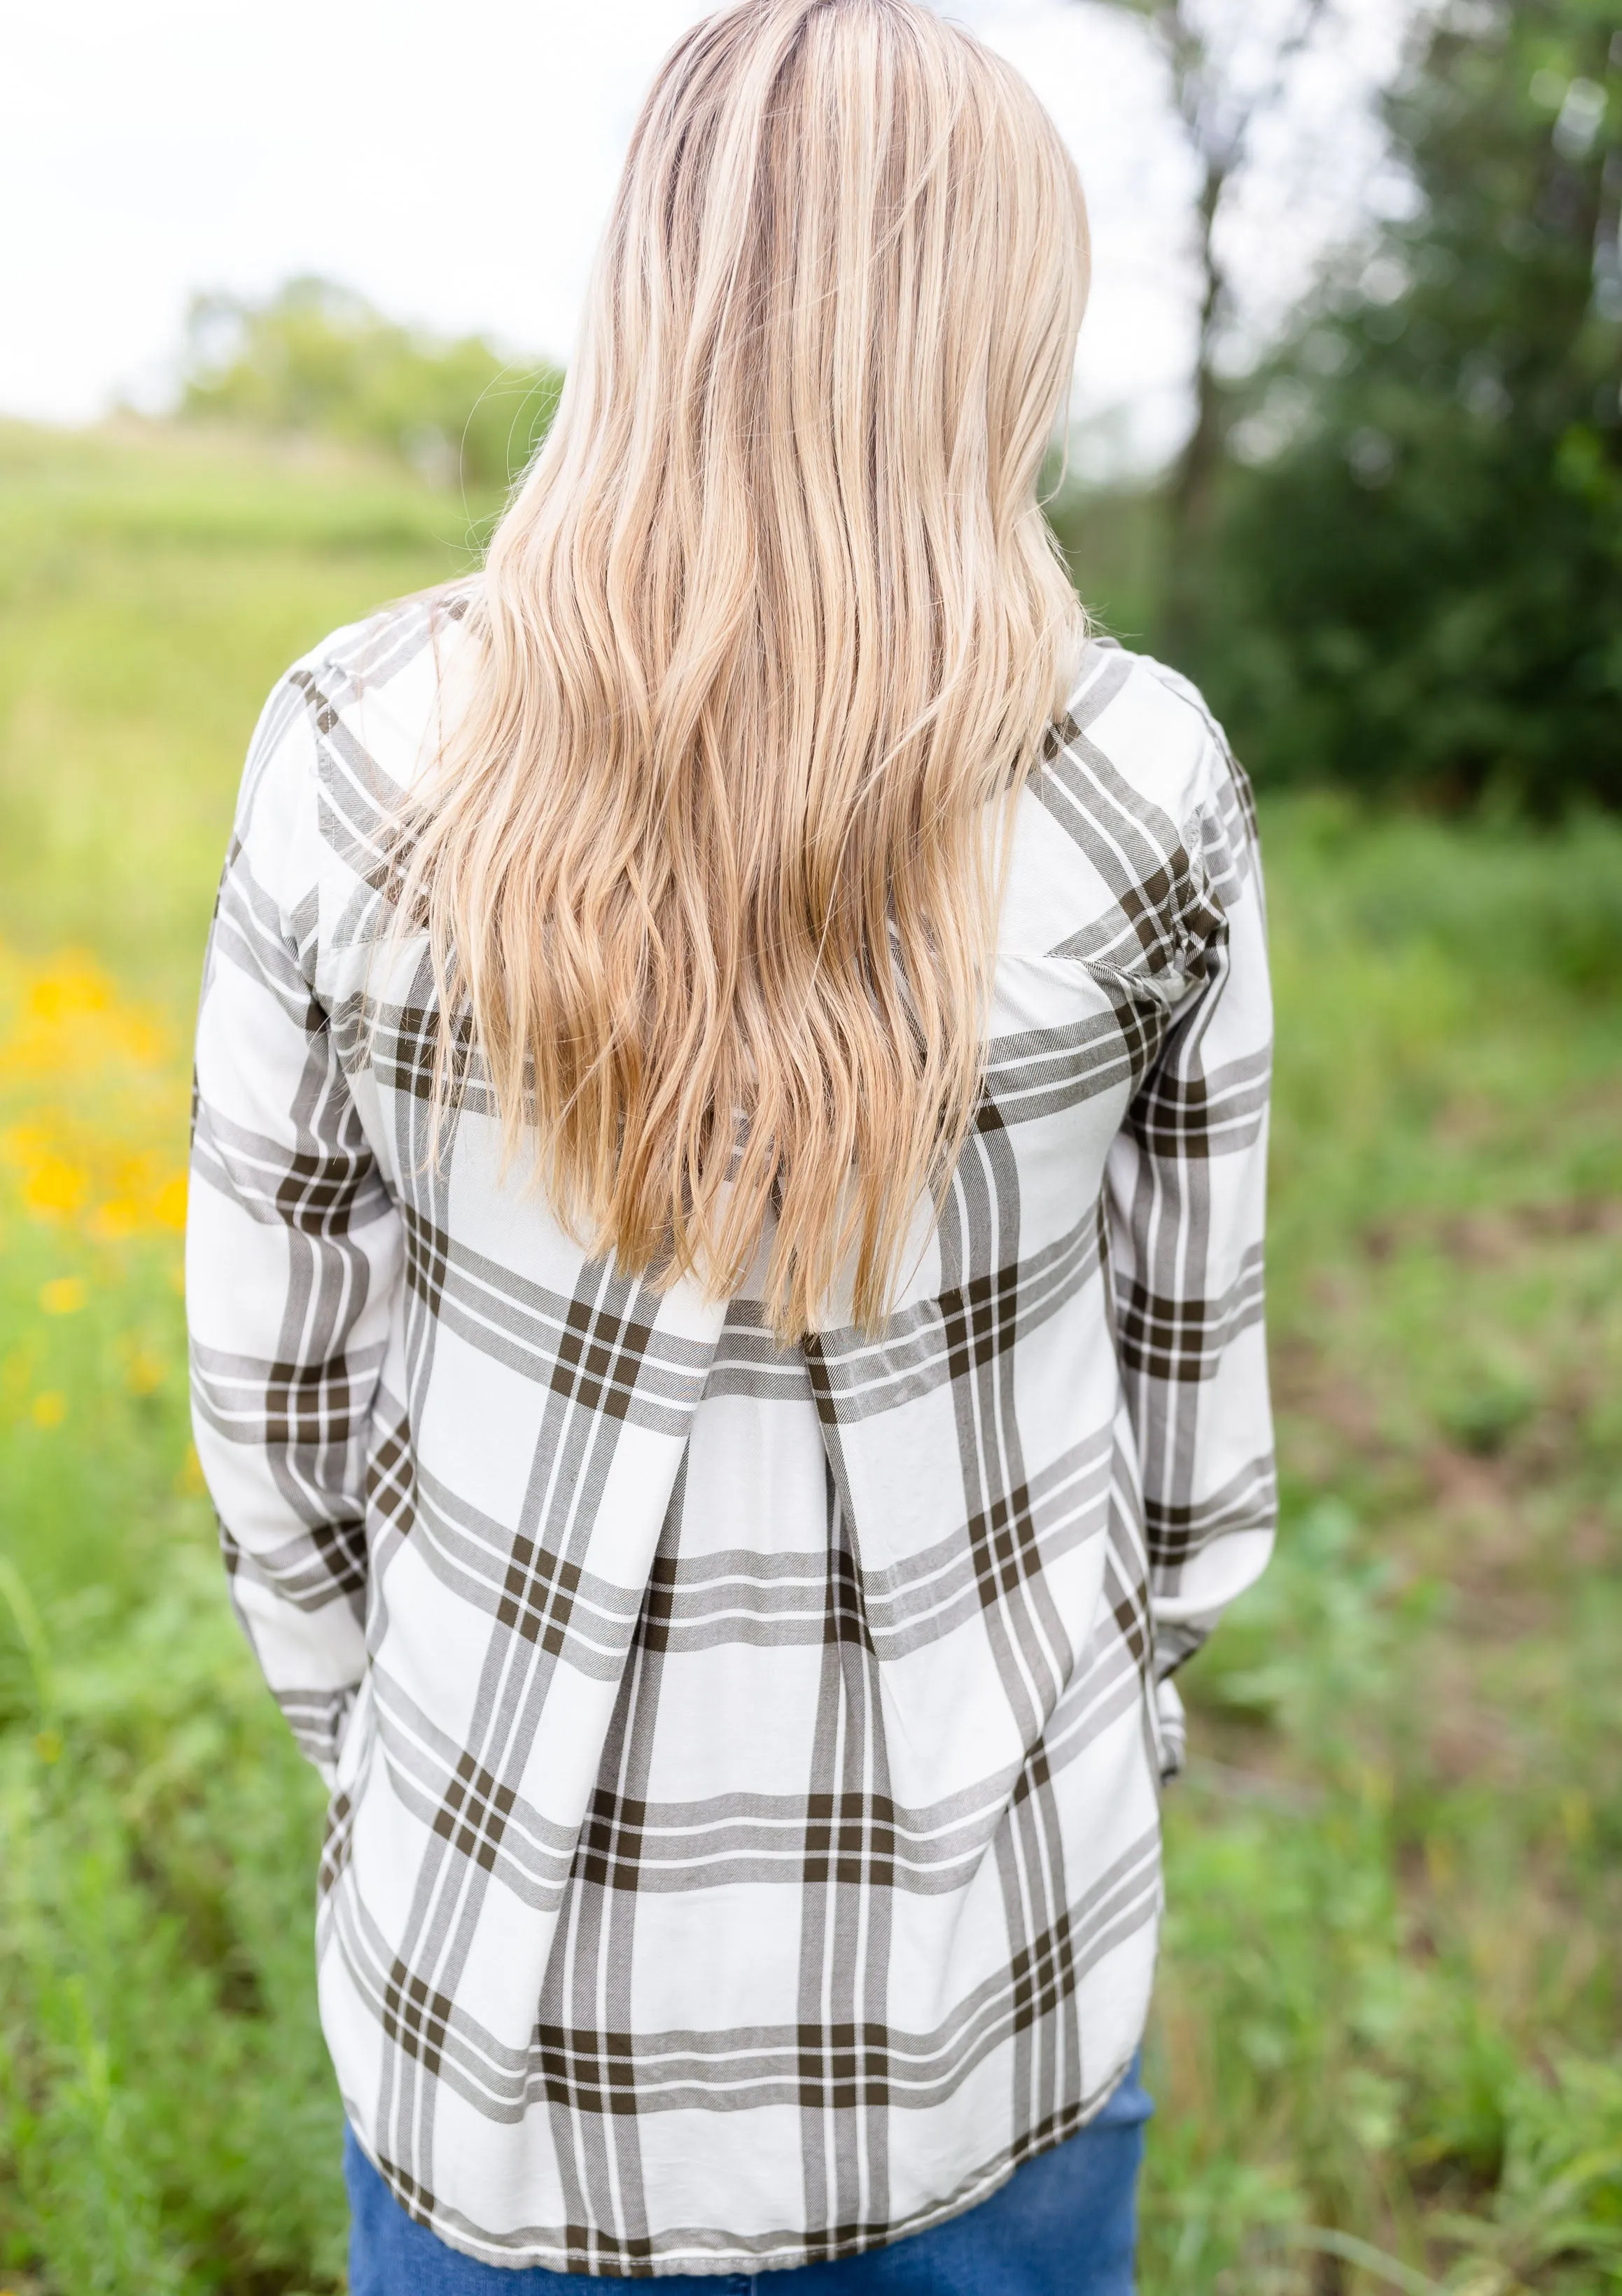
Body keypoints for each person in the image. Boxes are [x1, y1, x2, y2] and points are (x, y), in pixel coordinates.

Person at [186, 1, 1276, 2286]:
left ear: (646, 283)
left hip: (494, 2018)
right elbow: (1188, 1446)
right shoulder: (1140, 780)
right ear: (996, 321)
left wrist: (408, 1761)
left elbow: (273, 1421)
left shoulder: (355, 746)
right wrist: (1087, 1745)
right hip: (991, 1988)